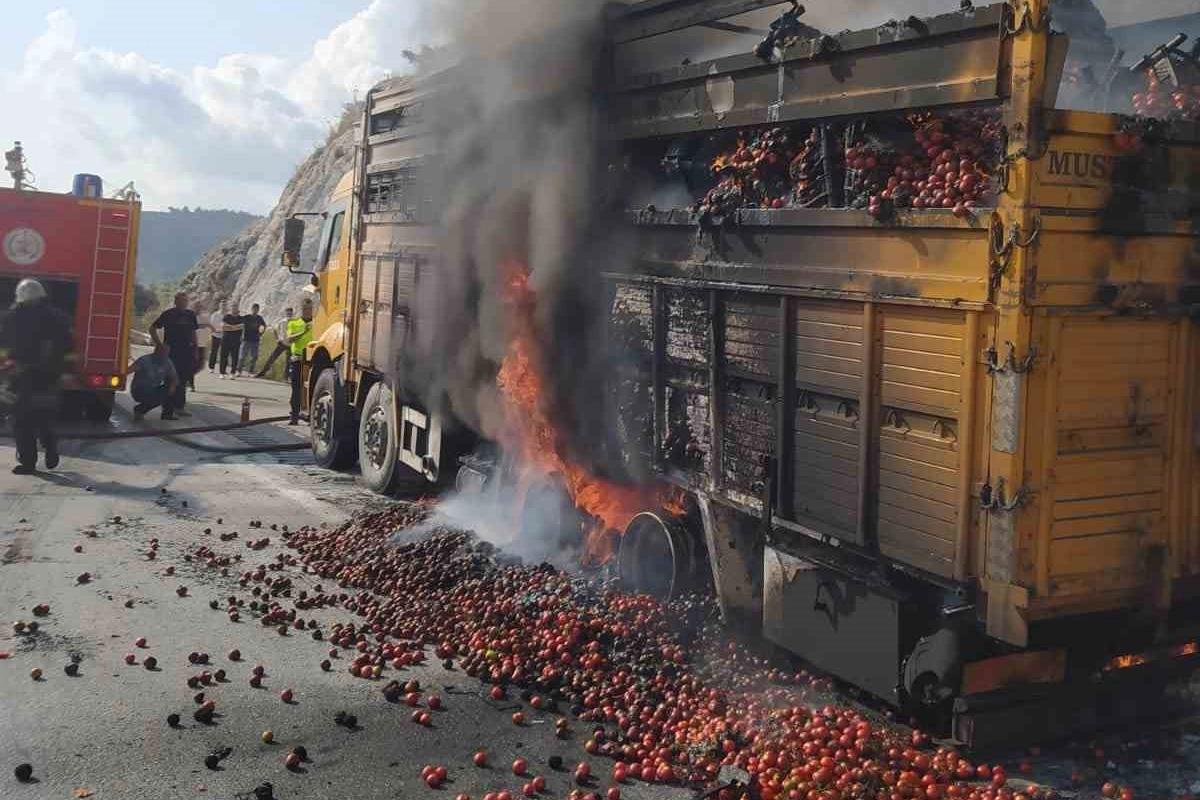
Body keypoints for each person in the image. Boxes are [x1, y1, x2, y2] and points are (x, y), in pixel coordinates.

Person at [0, 279, 74, 474]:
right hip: (49, 379)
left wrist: (5, 368)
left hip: (20, 378)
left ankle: (28, 462)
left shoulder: (12, 317)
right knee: (45, 417)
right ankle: (50, 447)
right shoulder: (59, 318)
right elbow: (68, 348)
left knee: (21, 421)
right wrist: (65, 371)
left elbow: (4, 348)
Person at [150, 291, 198, 417]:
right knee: (170, 379)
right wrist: (159, 344)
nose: (183, 303)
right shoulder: (168, 314)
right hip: (170, 352)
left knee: (183, 379)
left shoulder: (190, 315)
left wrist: (196, 348)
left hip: (187, 352)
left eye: (185, 301)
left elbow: (193, 332)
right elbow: (153, 328)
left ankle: (180, 407)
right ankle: (167, 408)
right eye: (181, 301)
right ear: (175, 301)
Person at [128, 344, 179, 421]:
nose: (164, 355)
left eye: (166, 353)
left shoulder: (167, 362)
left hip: (153, 389)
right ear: (156, 351)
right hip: (139, 390)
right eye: (162, 353)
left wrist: (172, 387)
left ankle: (166, 414)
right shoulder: (144, 360)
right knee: (154, 395)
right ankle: (140, 410)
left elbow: (174, 378)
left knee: (172, 389)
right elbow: (129, 370)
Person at [285, 299, 314, 425]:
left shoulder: (317, 323)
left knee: (310, 389)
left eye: (309, 309)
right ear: (301, 310)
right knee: (296, 389)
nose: (307, 311)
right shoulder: (294, 323)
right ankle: (294, 415)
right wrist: (304, 331)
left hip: (312, 360)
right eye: (305, 309)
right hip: (297, 359)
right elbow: (289, 339)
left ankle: (310, 416)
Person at [255, 306, 293, 378]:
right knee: (272, 357)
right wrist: (277, 339)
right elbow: (275, 330)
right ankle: (263, 372)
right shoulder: (282, 321)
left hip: (291, 344)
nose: (289, 314)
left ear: (292, 313)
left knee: (289, 361)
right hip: (282, 343)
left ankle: (286, 377)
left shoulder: (295, 321)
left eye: (290, 312)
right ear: (285, 313)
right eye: (288, 312)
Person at [238, 303, 267, 376]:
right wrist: (240, 334)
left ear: (258, 310)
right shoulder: (247, 317)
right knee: (242, 356)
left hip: (255, 340)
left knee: (254, 357)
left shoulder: (259, 318)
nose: (255, 310)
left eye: (257, 309)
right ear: (252, 309)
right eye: (254, 308)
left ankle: (250, 371)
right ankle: (239, 371)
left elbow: (264, 326)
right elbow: (239, 321)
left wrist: (261, 334)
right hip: (246, 339)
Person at [218, 303, 243, 378]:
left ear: (238, 308)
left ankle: (232, 373)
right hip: (226, 339)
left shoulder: (241, 318)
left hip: (236, 340)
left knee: (235, 357)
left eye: (235, 307)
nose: (234, 308)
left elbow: (242, 326)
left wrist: (230, 327)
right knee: (223, 356)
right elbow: (223, 326)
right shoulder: (227, 316)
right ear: (231, 308)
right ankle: (222, 373)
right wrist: (235, 327)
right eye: (233, 307)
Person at [207, 303, 224, 373]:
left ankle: (223, 369)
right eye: (222, 305)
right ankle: (211, 367)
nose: (224, 306)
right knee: (214, 352)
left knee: (223, 353)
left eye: (225, 305)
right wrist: (216, 331)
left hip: (224, 336)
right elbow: (211, 325)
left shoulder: (227, 315)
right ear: (220, 306)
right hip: (215, 335)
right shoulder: (215, 315)